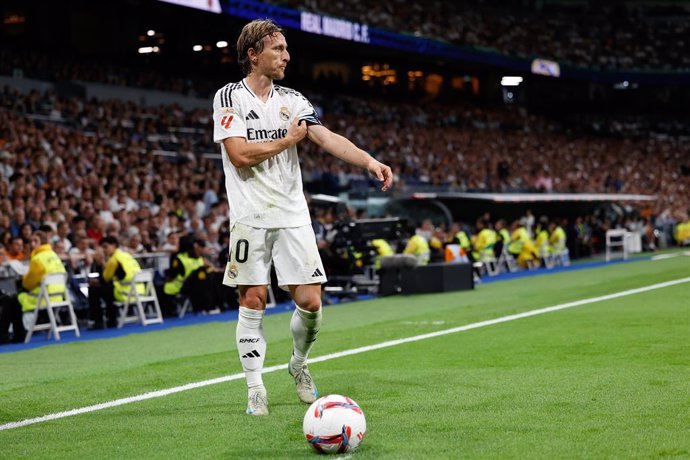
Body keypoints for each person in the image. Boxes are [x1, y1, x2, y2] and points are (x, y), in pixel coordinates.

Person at [213, 19, 393, 416]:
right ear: (253, 55)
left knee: (311, 303)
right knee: (254, 299)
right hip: (250, 216)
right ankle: (255, 387)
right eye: (278, 49)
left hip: (293, 214)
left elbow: (325, 136)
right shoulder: (228, 98)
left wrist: (368, 161)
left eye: (286, 49)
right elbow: (239, 155)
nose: (287, 56)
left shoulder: (293, 99)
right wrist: (288, 140)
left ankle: (297, 363)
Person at [0, 230, 66, 344]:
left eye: (35, 241)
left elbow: (28, 283)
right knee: (15, 300)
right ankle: (18, 334)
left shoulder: (38, 258)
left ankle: (4, 335)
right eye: (31, 241)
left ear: (43, 242)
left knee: (11, 300)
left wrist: (24, 281)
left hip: (43, 297)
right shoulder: (53, 255)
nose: (32, 244)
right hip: (59, 296)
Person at [87, 236, 143, 329]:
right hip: (139, 290)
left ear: (114, 245)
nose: (104, 250)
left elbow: (105, 279)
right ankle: (111, 319)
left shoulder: (113, 260)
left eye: (105, 247)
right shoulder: (127, 255)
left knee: (93, 290)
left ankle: (98, 322)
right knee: (107, 289)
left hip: (125, 292)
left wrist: (100, 264)